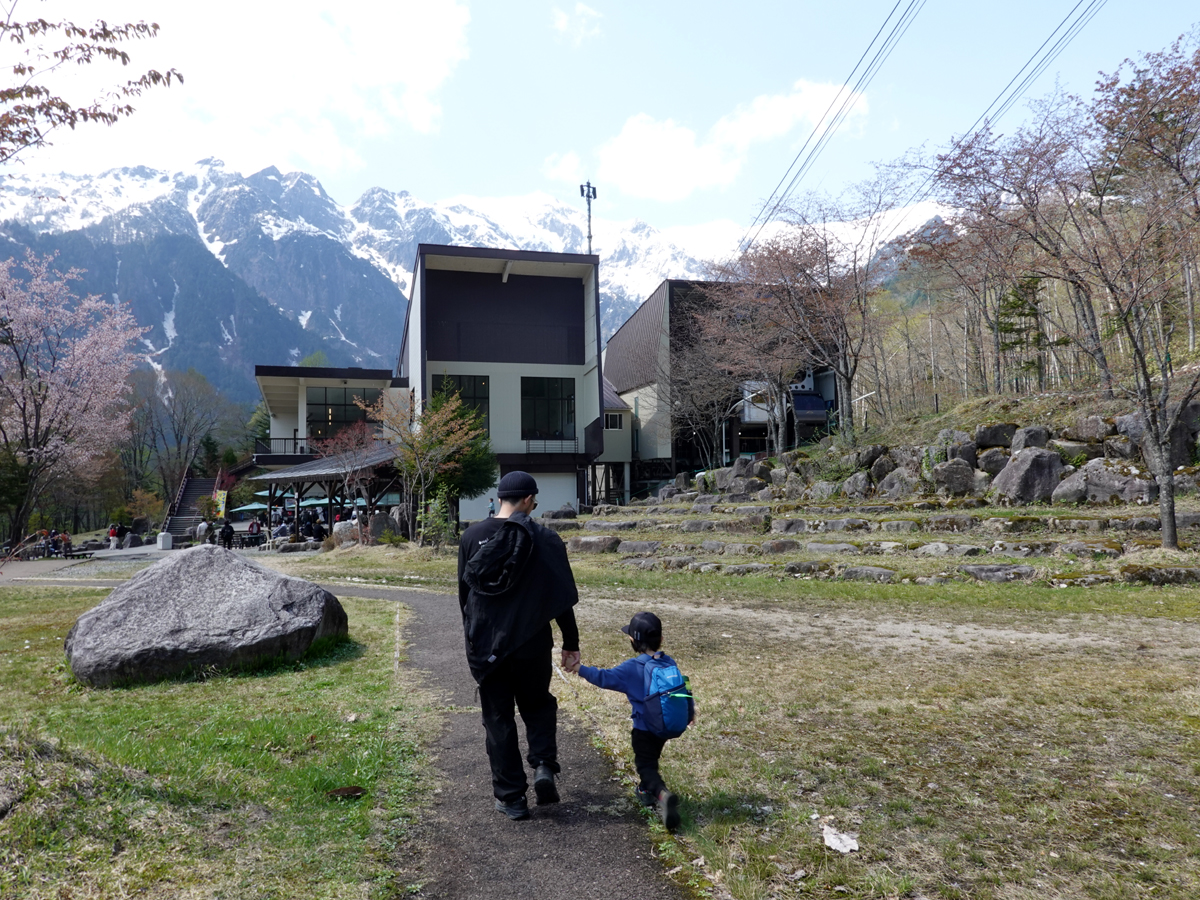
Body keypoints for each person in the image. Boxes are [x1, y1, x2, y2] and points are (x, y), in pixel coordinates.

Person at [457, 471, 581, 821]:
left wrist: (474, 646)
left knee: (498, 718)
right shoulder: (543, 538)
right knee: (538, 705)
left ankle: (512, 798)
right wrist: (570, 644)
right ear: (528, 500)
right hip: (532, 643)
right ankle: (542, 764)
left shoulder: (471, 537)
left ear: (500, 498)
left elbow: (466, 600)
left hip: (489, 646)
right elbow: (560, 599)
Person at [575, 611, 694, 832]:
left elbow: (604, 677)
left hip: (643, 729)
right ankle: (646, 791)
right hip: (664, 728)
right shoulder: (669, 662)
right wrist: (690, 711)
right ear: (661, 640)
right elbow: (684, 687)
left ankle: (661, 794)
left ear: (633, 640)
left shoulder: (632, 668)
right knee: (651, 760)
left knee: (645, 766)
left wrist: (579, 669)